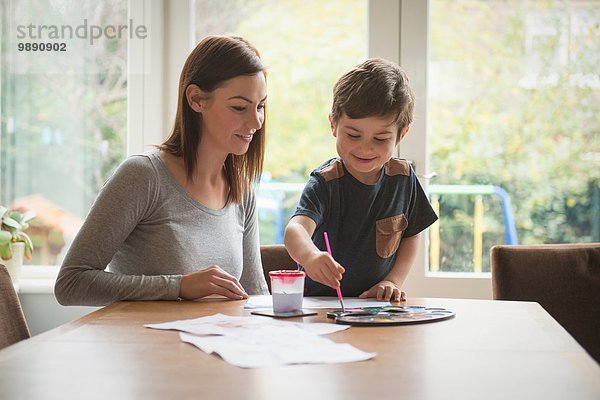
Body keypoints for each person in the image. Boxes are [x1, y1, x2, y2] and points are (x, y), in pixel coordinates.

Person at [55, 36, 269, 306]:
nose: (256, 122)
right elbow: (71, 284)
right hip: (148, 346)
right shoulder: (143, 176)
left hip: (215, 346)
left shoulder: (241, 189)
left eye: (260, 106)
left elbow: (255, 293)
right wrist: (178, 286)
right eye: (239, 107)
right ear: (196, 99)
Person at [284, 58, 438, 302]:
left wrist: (393, 280)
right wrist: (310, 256)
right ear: (333, 125)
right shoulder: (326, 183)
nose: (365, 149)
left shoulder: (403, 178)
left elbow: (411, 234)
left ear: (401, 134)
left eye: (380, 139)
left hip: (377, 306)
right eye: (353, 135)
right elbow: (296, 229)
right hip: (322, 305)